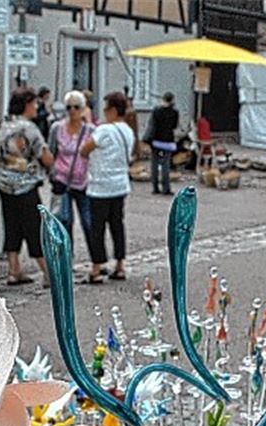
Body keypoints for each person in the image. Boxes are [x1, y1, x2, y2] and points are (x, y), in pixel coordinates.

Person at [0, 86, 54, 286]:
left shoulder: (4, 124)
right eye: (34, 103)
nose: (37, 106)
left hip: (4, 183)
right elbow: (44, 156)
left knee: (11, 226)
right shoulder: (29, 128)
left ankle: (14, 270)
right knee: (34, 228)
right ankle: (47, 272)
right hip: (26, 185)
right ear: (27, 104)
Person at [80, 91, 134, 284]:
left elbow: (84, 150)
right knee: (117, 225)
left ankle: (97, 266)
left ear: (112, 110)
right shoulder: (128, 130)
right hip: (120, 184)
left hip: (100, 186)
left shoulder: (104, 130)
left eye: (105, 109)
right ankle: (120, 264)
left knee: (97, 228)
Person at [47, 90, 93, 242]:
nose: (72, 111)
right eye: (69, 107)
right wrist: (52, 175)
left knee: (89, 222)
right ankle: (67, 260)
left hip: (84, 183)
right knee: (65, 221)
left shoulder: (90, 130)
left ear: (83, 108)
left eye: (76, 107)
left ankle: (97, 262)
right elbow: (51, 152)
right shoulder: (57, 128)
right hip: (62, 181)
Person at [147, 91, 179, 195]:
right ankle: (166, 188)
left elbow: (152, 125)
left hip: (156, 140)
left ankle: (155, 187)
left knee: (154, 164)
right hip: (168, 141)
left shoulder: (156, 111)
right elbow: (174, 126)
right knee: (165, 164)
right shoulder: (174, 112)